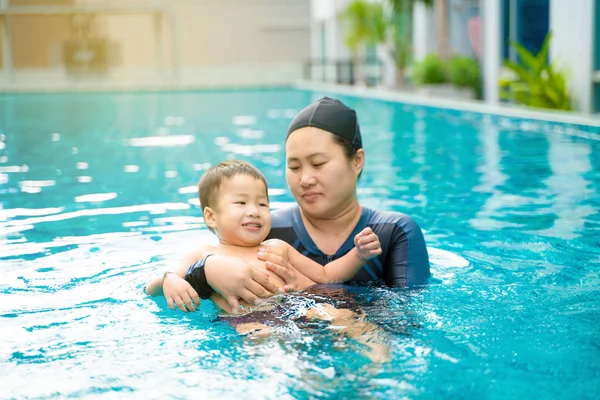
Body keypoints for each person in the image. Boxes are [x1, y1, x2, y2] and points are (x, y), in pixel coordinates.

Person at [154, 96, 431, 313]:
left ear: (357, 160)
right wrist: (206, 270)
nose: (305, 179)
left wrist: (311, 291)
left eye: (319, 164)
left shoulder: (393, 232)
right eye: (294, 166)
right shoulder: (264, 229)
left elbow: (406, 321)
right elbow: (199, 272)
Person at [145, 160, 391, 361]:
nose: (254, 210)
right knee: (260, 337)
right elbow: (152, 287)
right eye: (241, 202)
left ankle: (380, 364)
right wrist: (169, 280)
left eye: (262, 203)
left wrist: (358, 254)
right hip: (247, 318)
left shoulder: (277, 247)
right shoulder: (204, 253)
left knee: (346, 317)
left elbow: (326, 275)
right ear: (211, 216)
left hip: (299, 307)